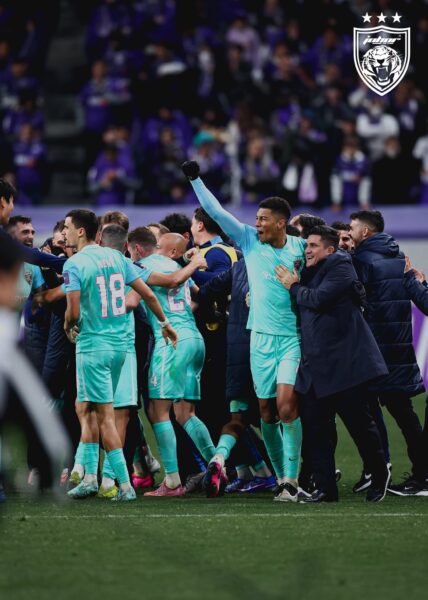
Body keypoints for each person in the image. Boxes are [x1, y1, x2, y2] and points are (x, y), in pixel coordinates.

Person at [182, 159, 306, 502]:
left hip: (291, 339)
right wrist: (195, 179)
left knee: (286, 407)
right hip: (259, 340)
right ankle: (280, 478)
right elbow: (216, 212)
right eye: (257, 219)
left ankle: (292, 479)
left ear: (281, 223)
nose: (257, 224)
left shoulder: (300, 249)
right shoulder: (250, 242)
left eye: (263, 219)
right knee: (266, 412)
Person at [62, 209, 177, 502]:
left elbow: (73, 311)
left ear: (81, 231)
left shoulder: (74, 264)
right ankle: (89, 477)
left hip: (93, 346)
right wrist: (164, 323)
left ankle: (122, 484)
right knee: (87, 408)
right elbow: (148, 294)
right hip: (120, 348)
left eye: (67, 227)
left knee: (103, 417)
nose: (64, 232)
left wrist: (67, 325)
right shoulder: (118, 259)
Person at [275, 225, 390, 502]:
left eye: (314, 246)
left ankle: (379, 473)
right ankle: (326, 489)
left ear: (330, 249)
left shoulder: (341, 266)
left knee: (359, 426)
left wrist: (294, 286)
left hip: (344, 364)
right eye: (307, 245)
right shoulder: (309, 269)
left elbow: (317, 299)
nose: (307, 250)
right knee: (316, 429)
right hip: (315, 364)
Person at [127, 228, 216, 497]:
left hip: (171, 341)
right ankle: (216, 464)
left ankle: (173, 481)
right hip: (194, 339)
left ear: (137, 249)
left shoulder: (142, 267)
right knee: (185, 413)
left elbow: (131, 301)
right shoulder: (175, 265)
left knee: (157, 410)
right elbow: (196, 296)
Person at [350, 210, 428, 496]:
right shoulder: (399, 258)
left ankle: (376, 471)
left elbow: (353, 301)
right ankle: (421, 474)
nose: (349, 233)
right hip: (399, 350)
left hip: (371, 351)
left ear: (365, 232)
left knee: (360, 412)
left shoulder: (361, 260)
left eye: (352, 229)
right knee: (405, 415)